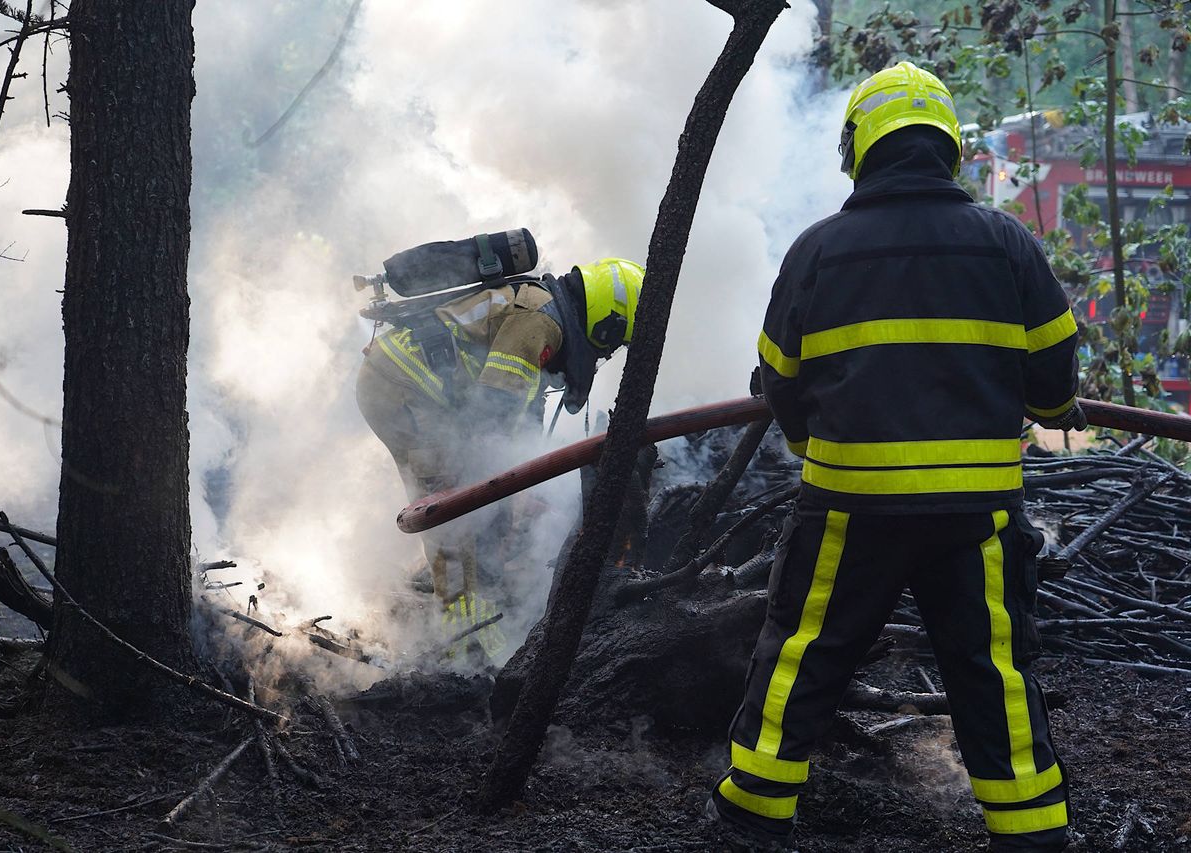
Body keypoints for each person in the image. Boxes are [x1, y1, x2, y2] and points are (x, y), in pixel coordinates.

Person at [706, 62, 1084, 852]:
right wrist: (1052, 412)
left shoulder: (820, 249)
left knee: (805, 652)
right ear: (948, 147)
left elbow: (778, 374)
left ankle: (755, 811)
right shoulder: (1005, 242)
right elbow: (1054, 366)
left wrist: (807, 443)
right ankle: (1031, 828)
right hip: (976, 515)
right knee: (992, 667)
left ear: (858, 149)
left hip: (850, 507)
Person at [356, 257, 644, 649]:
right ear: (607, 319)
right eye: (615, 340)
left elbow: (520, 415)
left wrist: (520, 490)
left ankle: (465, 594)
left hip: (414, 386)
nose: (608, 352)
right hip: (402, 386)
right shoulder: (540, 321)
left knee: (469, 497)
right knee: (450, 505)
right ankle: (464, 640)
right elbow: (494, 413)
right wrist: (504, 490)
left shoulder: (546, 313)